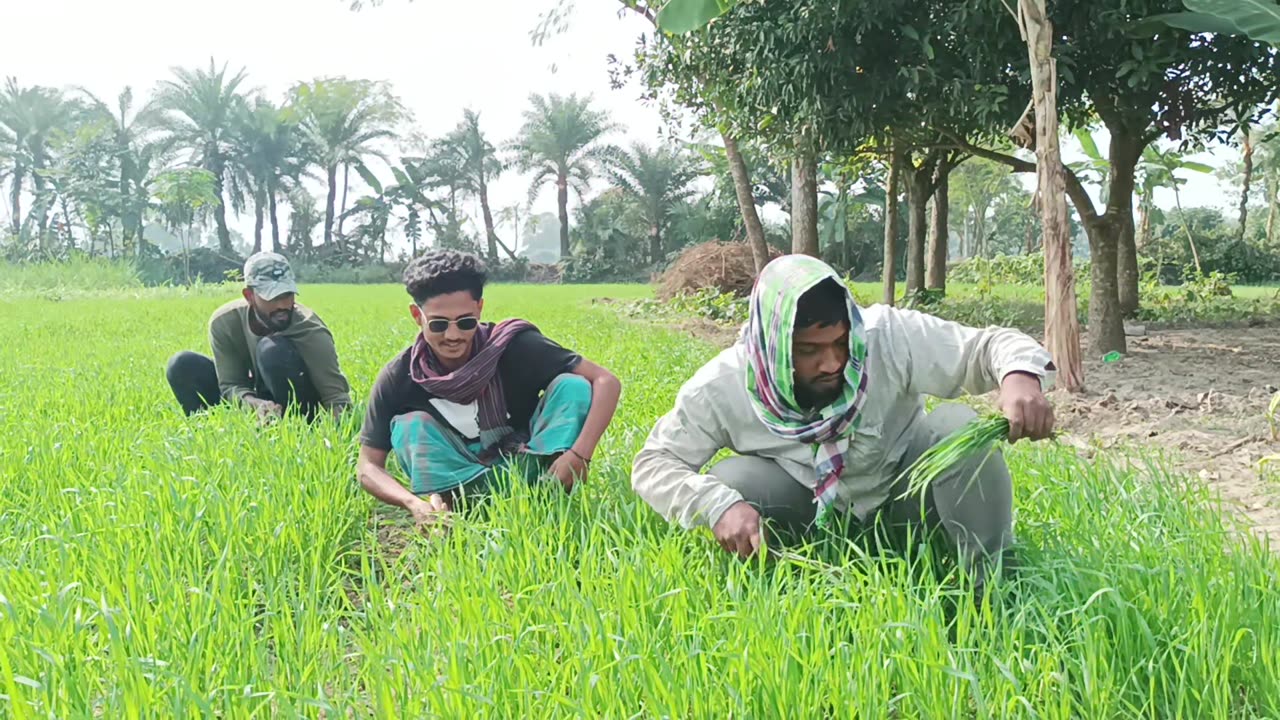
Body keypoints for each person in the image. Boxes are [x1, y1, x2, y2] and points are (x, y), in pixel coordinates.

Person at [631, 254, 1056, 587]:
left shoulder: (885, 336)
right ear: (773, 345)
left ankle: (990, 584)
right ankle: (788, 576)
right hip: (809, 514)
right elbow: (653, 463)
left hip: (905, 503)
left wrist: (1019, 377)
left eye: (839, 342)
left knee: (958, 429)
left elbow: (986, 347)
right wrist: (716, 505)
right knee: (732, 480)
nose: (832, 362)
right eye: (808, 350)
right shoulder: (723, 385)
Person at [356, 249, 622, 529]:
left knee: (573, 386)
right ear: (416, 315)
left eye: (466, 321)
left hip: (528, 465)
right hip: (458, 484)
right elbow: (368, 466)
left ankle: (547, 495)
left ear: (480, 308)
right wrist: (413, 503)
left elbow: (606, 381)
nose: (453, 335)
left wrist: (580, 454)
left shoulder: (513, 346)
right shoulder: (400, 375)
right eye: (438, 324)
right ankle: (453, 513)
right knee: (411, 425)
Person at [165, 251, 352, 422]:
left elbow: (337, 399)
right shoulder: (225, 322)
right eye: (272, 297)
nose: (283, 305)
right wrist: (253, 403)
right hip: (256, 397)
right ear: (249, 296)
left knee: (272, 350)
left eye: (287, 295)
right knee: (181, 364)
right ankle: (207, 436)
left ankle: (294, 427)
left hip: (301, 400)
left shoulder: (310, 330)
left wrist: (328, 436)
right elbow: (230, 385)